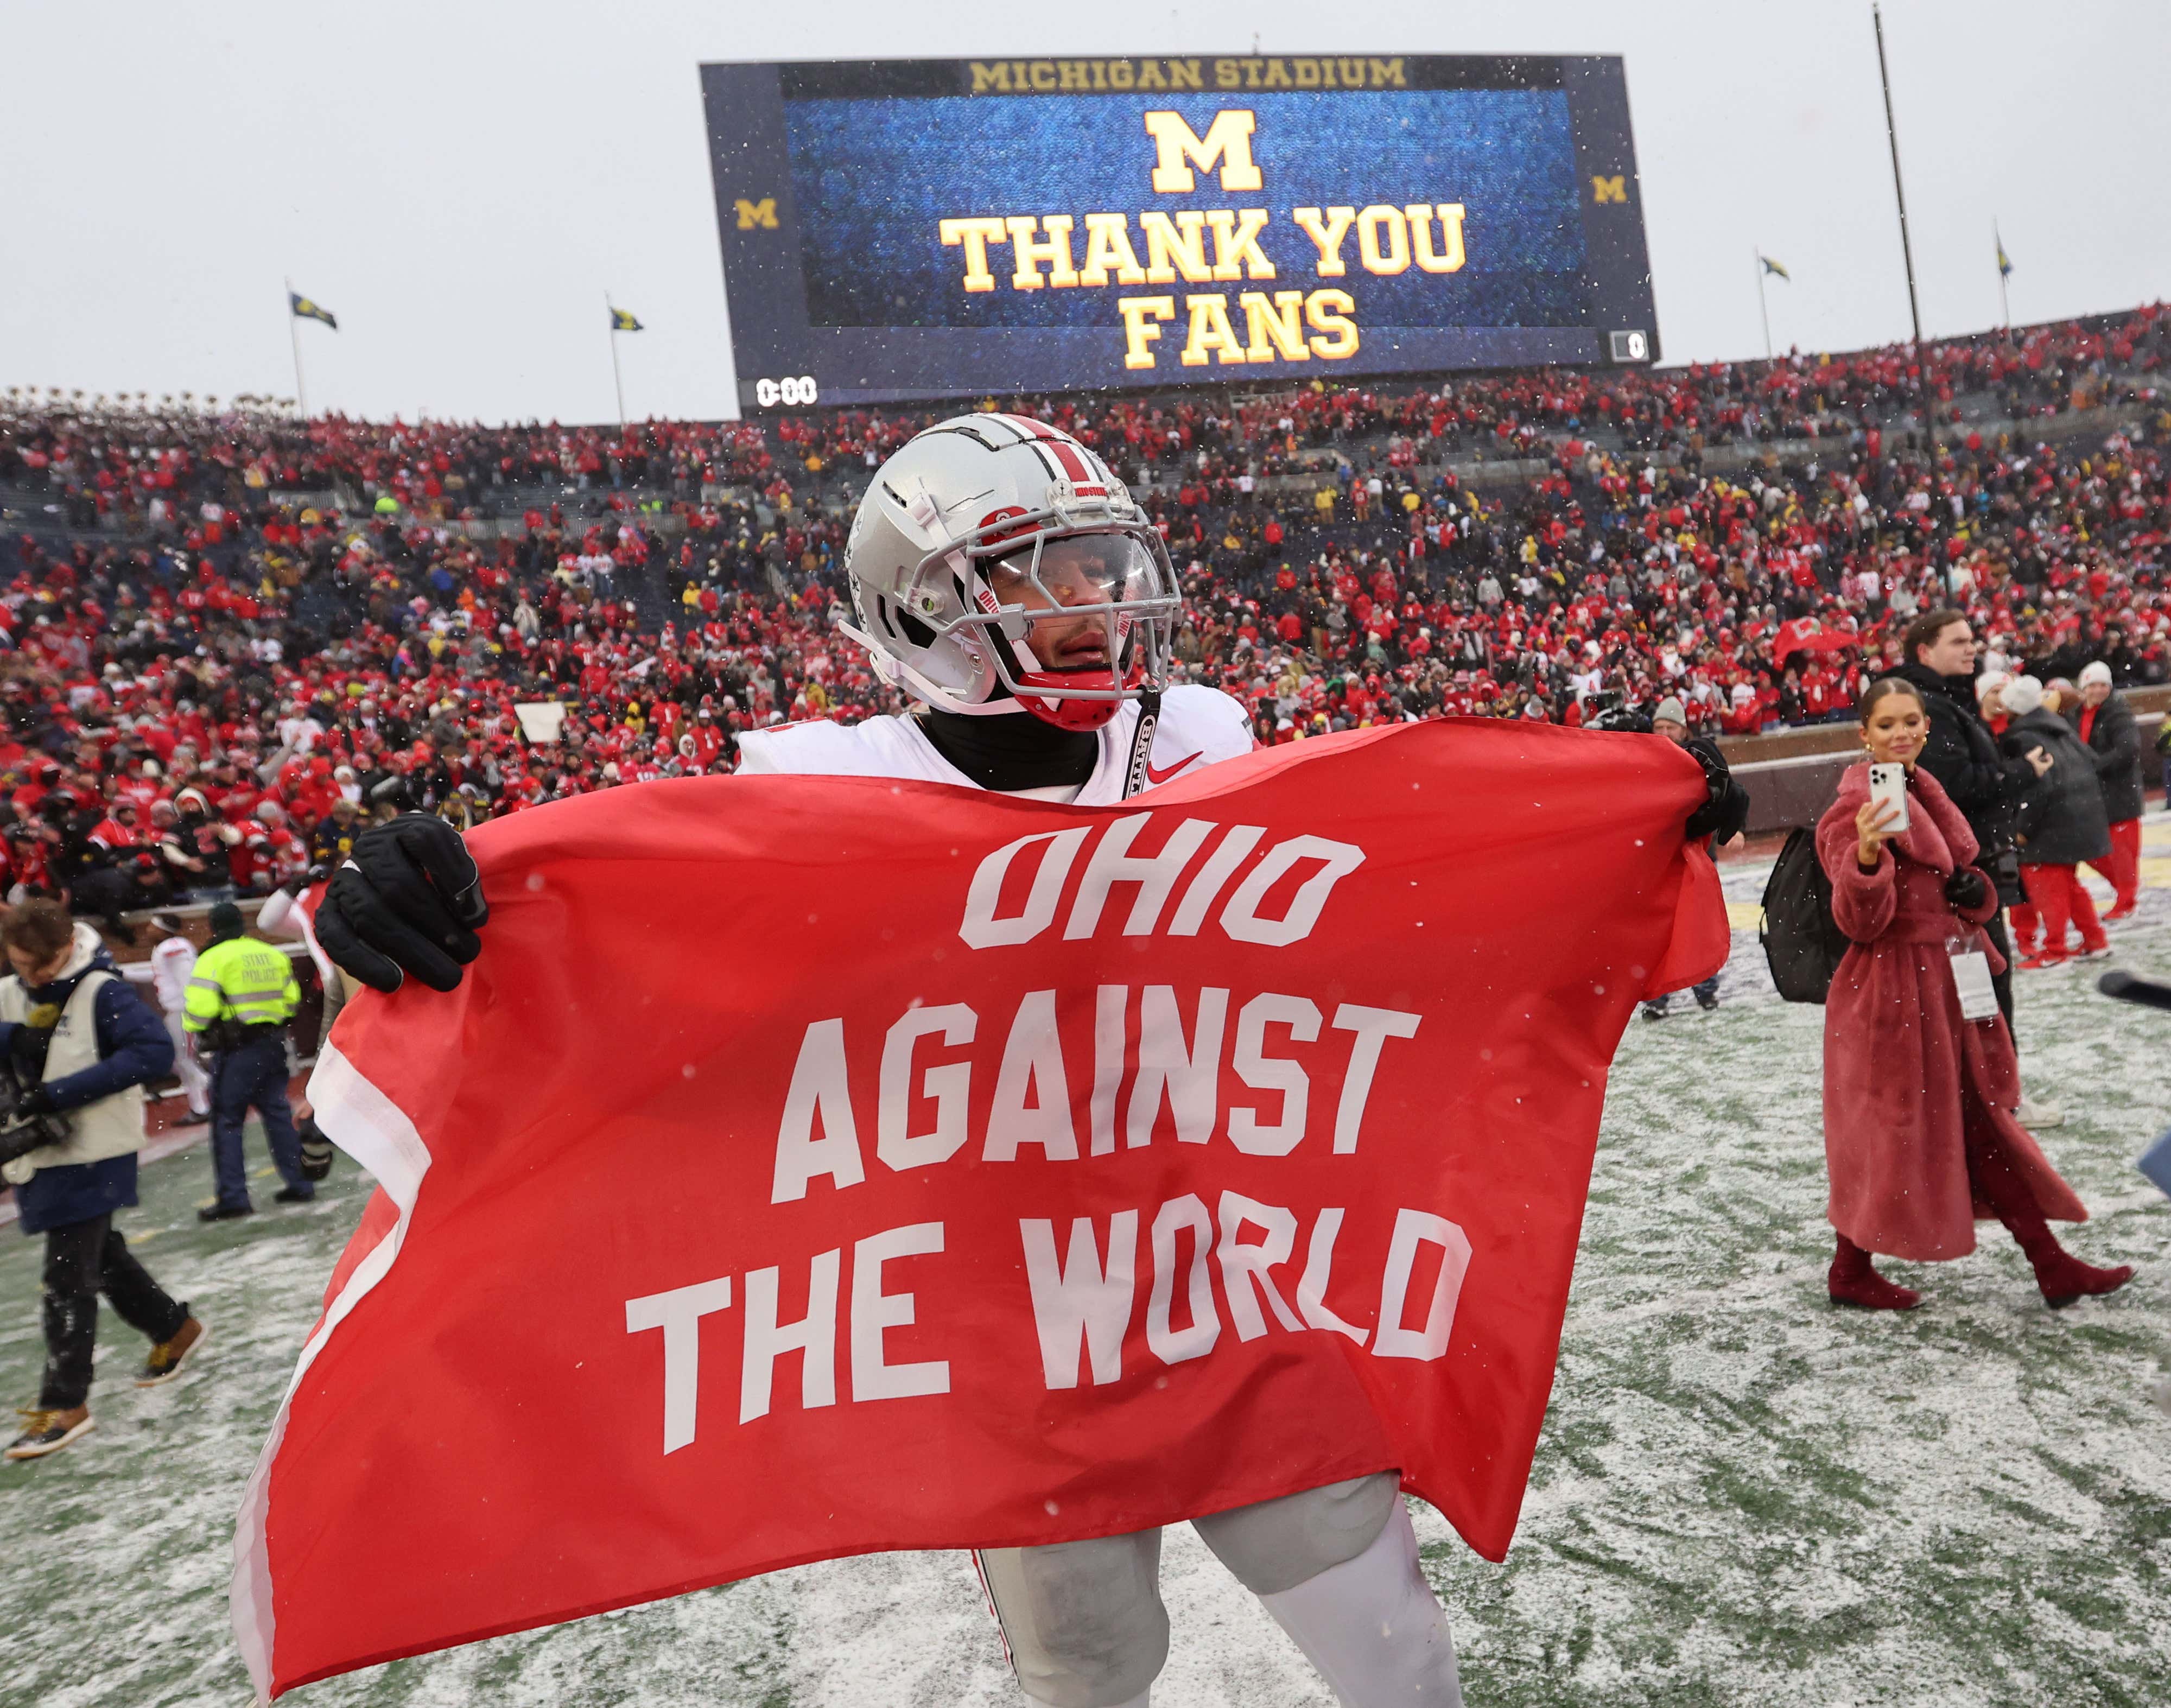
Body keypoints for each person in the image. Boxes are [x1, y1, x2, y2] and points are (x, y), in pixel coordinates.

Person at [313, 414, 1745, 1708]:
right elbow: (614, 927)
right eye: (1041, 570)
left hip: (1224, 1268)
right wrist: (419, 892)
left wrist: (1620, 814)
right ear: (918, 608)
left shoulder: (1203, 744)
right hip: (1006, 1320)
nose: (1092, 599)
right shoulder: (820, 789)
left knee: (1394, 1650)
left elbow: (1397, 890)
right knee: (1089, 1671)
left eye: (1101, 561)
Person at [1815, 680, 2132, 1312]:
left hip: (1946, 985)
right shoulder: (1854, 809)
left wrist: (1973, 893)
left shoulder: (1924, 793)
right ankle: (1852, 1270)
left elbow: (1954, 886)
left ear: (1925, 728)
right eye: (1886, 725)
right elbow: (1857, 922)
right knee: (1893, 1133)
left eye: (1910, 722)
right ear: (1864, 735)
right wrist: (1868, 856)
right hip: (1891, 996)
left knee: (1973, 1126)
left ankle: (2048, 1264)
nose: (1901, 734)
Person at [2, 899, 207, 1460]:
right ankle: (175, 1328)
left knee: (67, 1276)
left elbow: (153, 1053)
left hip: (96, 1151)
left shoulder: (104, 991)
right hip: (39, 1152)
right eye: (19, 964)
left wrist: (60, 1093)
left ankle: (66, 1404)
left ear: (67, 946)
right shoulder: (10, 992)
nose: (31, 976)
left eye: (41, 965)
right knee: (103, 1257)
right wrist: (13, 1045)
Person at [1895, 610, 2060, 1125]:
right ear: (1926, 651)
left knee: (1975, 986)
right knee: (1982, 985)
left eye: (1972, 640)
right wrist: (2021, 771)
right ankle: (1998, 1100)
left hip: (1961, 869)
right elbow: (1957, 785)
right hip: (1962, 874)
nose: (1971, 648)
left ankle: (1983, 1097)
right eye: (1959, 641)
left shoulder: (1942, 700)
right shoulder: (1932, 706)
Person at [183, 900, 308, 1221]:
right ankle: (299, 1182)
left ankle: (233, 1197)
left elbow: (200, 1012)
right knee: (277, 1112)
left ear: (214, 927)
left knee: (227, 1120)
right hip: (273, 1044)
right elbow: (292, 1000)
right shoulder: (272, 954)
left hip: (237, 1050)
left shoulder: (212, 958)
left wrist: (197, 1028)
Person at [1996, 676, 2111, 968]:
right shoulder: (2060, 728)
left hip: (2049, 827)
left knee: (2049, 890)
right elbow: (2093, 763)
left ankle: (2055, 950)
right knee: (2070, 887)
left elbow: (2040, 787)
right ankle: (2095, 940)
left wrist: (2023, 828)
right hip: (2075, 819)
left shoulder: (2023, 737)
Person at [1639, 697, 1740, 1020]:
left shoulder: (1699, 758)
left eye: (1670, 727)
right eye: (1659, 727)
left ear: (1683, 730)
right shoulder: (1646, 761)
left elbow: (1729, 793)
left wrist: (1733, 827)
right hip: (1660, 860)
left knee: (1697, 926)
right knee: (1661, 933)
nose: (1664, 733)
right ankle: (1659, 997)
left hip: (1695, 856)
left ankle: (1705, 990)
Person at [2072, 661, 2142, 920]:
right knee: (2091, 850)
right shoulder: (2075, 715)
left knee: (2123, 854)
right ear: (2084, 688)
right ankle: (2125, 890)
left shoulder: (2118, 713)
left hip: (2119, 795)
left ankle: (2127, 900)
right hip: (2090, 795)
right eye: (2093, 685)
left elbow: (2128, 749)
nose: (2098, 690)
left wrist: (2095, 766)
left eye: (2103, 685)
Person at [147, 911, 211, 1127]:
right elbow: (159, 975)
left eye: (153, 926)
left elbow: (187, 979)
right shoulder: (165, 948)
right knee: (177, 1060)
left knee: (184, 1060)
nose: (148, 930)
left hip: (183, 1011)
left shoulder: (173, 947)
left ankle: (202, 1103)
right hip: (176, 1012)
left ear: (163, 929)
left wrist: (193, 1010)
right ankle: (204, 1093)